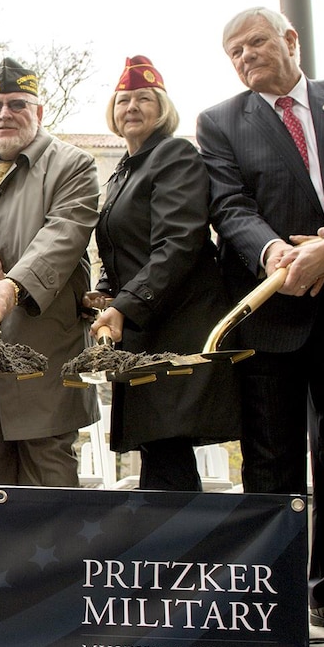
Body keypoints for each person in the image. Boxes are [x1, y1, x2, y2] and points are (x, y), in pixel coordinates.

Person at [196, 7, 324, 623]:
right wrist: (276, 254)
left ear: (290, 40)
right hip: (270, 310)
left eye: (255, 44)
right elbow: (229, 205)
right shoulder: (220, 122)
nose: (246, 58)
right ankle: (270, 594)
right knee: (271, 461)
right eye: (234, 54)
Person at [84, 57, 239, 490]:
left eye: (144, 99)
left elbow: (180, 242)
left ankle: (180, 556)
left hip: (175, 328)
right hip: (143, 325)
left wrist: (126, 305)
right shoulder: (121, 173)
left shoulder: (173, 154)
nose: (131, 107)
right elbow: (121, 250)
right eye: (124, 99)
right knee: (158, 451)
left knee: (169, 452)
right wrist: (103, 293)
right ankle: (163, 554)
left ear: (163, 108)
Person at [0, 57, 99, 487]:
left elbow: (63, 237)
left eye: (18, 104)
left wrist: (15, 286)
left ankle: (58, 560)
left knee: (50, 481)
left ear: (39, 113)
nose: (4, 114)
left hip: (45, 347)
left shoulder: (73, 165)